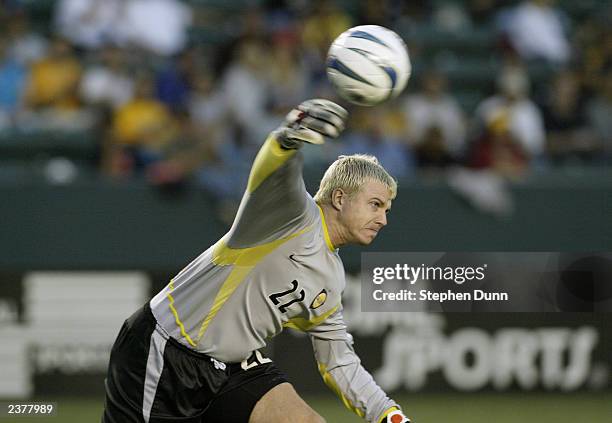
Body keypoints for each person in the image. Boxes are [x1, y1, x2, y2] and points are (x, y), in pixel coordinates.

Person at [101, 99, 411, 423]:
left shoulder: (331, 278)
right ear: (339, 198)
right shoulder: (291, 216)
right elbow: (276, 172)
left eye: (386, 209)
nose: (383, 219)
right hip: (165, 350)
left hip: (233, 370)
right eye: (375, 204)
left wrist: (387, 414)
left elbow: (339, 362)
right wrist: (289, 137)